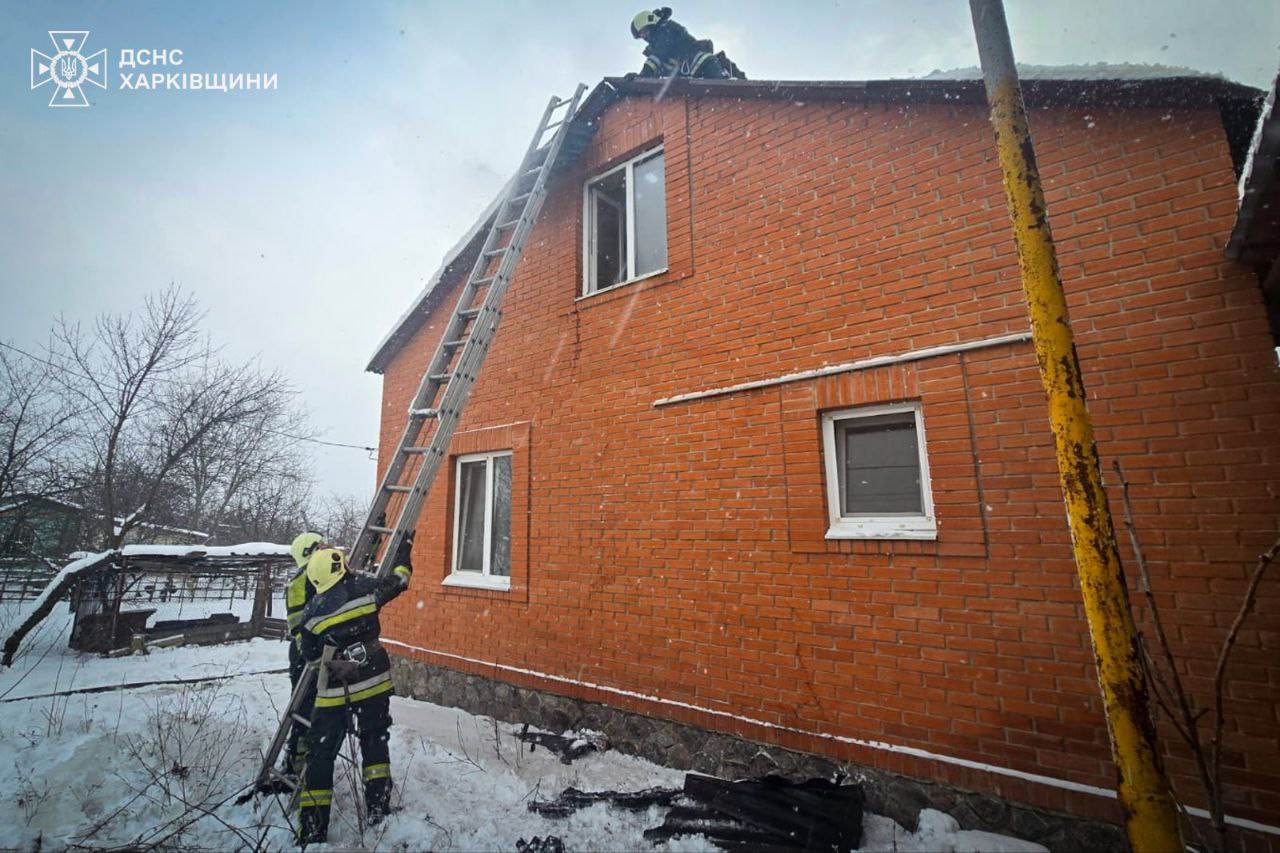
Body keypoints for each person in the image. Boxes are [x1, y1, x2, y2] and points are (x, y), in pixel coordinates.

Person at [294, 536, 413, 845]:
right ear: (339, 569)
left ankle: (312, 827)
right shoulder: (363, 590)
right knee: (375, 742)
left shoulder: (311, 614)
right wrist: (403, 547)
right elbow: (399, 580)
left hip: (333, 693)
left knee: (320, 755)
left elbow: (309, 654)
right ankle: (377, 806)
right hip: (373, 683)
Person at [283, 531, 325, 777]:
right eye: (320, 545)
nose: (327, 547)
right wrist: (313, 657)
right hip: (304, 656)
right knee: (304, 710)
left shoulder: (321, 574)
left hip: (316, 652)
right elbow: (298, 625)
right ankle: (294, 764)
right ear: (309, 552)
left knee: (316, 710)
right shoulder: (300, 582)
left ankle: (309, 756)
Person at [630, 8, 744, 80]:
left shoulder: (666, 31)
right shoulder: (660, 42)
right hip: (695, 74)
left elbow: (658, 55)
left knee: (723, 92)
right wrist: (642, 79)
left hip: (705, 65)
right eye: (641, 35)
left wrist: (642, 76)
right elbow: (659, 70)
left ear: (651, 23)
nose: (644, 36)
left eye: (644, 31)